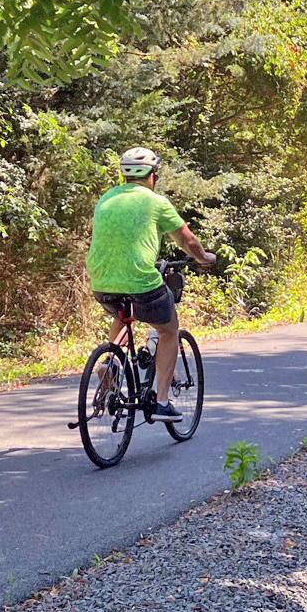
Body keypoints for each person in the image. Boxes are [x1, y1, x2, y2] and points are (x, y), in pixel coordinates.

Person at [86, 147, 214, 421]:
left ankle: (111, 363)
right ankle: (162, 402)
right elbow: (187, 240)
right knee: (169, 330)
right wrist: (203, 258)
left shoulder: (106, 199)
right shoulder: (156, 202)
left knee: (124, 315)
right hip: (140, 281)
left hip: (102, 281)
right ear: (153, 175)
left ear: (124, 175)